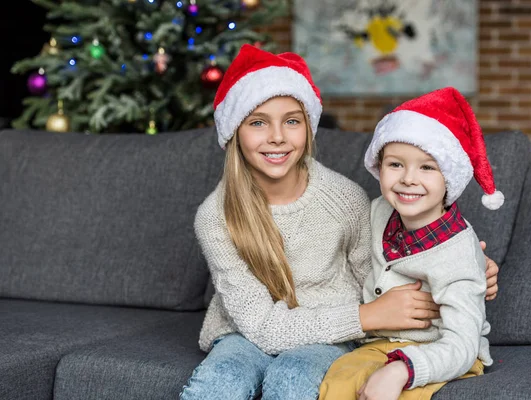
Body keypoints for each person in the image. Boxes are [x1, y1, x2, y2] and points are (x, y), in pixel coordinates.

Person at [179, 45, 499, 400]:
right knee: (219, 380)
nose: (277, 137)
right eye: (257, 122)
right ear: (234, 132)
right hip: (250, 331)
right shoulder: (216, 217)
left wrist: (467, 266)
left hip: (333, 330)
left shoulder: (344, 199)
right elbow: (264, 329)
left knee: (293, 377)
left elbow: (379, 272)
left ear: (309, 128)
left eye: (291, 121)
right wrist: (367, 317)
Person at [319, 87, 504, 400]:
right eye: (395, 165)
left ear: (450, 177)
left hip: (444, 351)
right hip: (380, 344)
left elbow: (462, 343)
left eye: (427, 167)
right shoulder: (378, 211)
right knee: (337, 383)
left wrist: (402, 369)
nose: (407, 179)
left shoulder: (458, 252)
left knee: (395, 392)